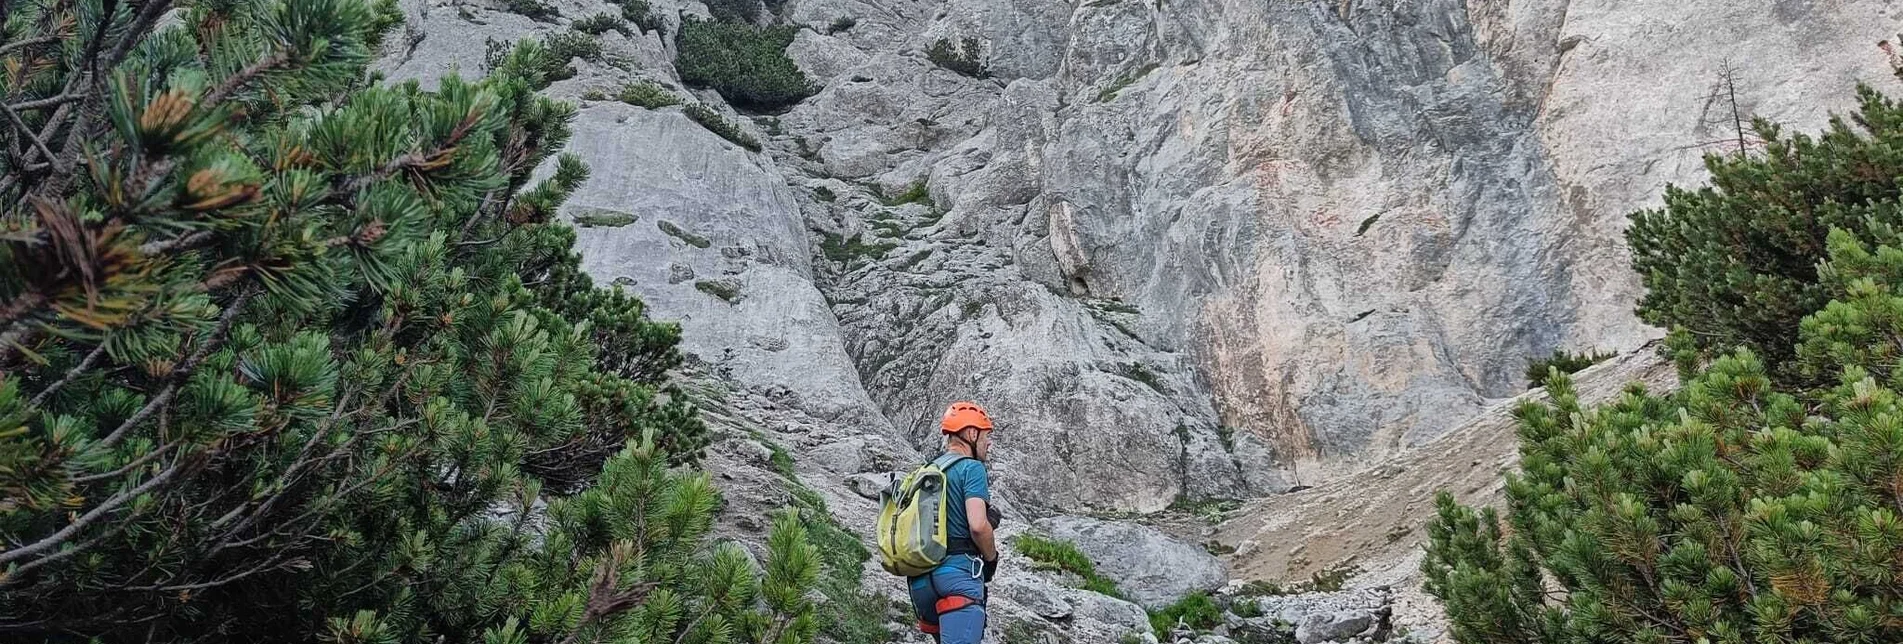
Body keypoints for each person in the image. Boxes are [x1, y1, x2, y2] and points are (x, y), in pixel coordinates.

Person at [908, 401, 1000, 644]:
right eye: (986, 435)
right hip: (957, 577)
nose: (989, 443)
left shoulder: (929, 470)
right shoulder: (972, 469)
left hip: (921, 581)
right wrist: (991, 559)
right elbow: (978, 526)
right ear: (971, 433)